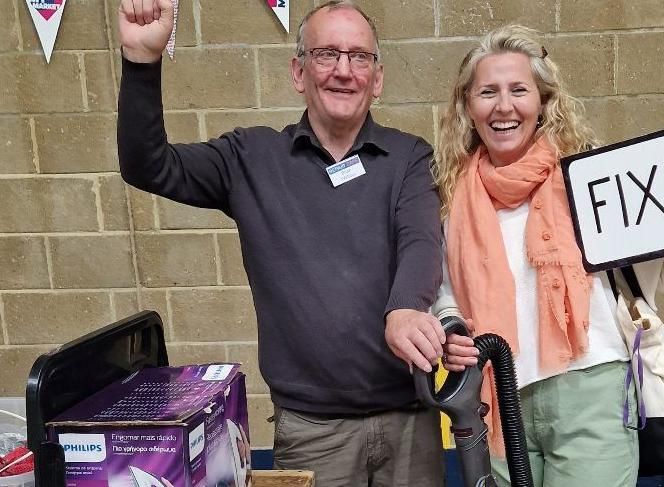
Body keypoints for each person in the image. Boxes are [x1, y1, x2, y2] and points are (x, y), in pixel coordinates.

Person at [115, 1, 447, 485]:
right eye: (326, 54)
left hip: (410, 424)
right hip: (313, 432)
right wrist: (141, 64)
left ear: (377, 78)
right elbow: (148, 165)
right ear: (299, 71)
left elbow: (421, 237)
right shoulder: (250, 157)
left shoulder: (409, 157)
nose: (343, 70)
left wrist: (407, 306)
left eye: (359, 57)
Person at [432, 25, 664, 487]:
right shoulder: (454, 199)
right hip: (497, 395)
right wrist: (451, 326)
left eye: (518, 90)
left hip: (590, 388)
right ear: (469, 109)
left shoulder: (590, 180)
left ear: (543, 101)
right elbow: (445, 290)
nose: (504, 106)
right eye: (487, 92)